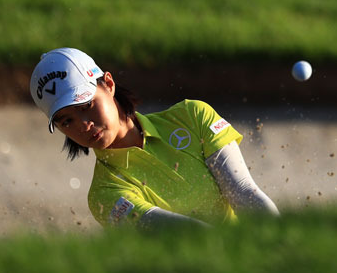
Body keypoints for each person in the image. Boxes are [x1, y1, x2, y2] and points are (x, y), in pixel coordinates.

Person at [29, 47, 279, 229]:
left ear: (108, 84)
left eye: (85, 106)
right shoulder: (105, 194)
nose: (83, 125)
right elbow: (192, 235)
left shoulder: (192, 116)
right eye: (66, 121)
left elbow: (244, 192)